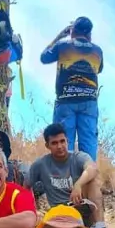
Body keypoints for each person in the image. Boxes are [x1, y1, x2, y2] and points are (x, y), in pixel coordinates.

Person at [29, 123, 115, 228]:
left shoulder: (78, 157)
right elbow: (25, 186)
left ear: (67, 141)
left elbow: (92, 168)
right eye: (54, 143)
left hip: (83, 208)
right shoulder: (40, 164)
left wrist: (78, 184)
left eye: (62, 141)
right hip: (60, 214)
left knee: (91, 181)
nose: (60, 146)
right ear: (47, 146)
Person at [41, 17, 103, 161]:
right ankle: (88, 180)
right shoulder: (97, 50)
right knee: (88, 147)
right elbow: (98, 69)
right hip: (89, 102)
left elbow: (44, 57)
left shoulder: (62, 45)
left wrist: (60, 36)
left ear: (72, 30)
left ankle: (63, 179)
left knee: (62, 144)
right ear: (89, 34)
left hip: (65, 100)